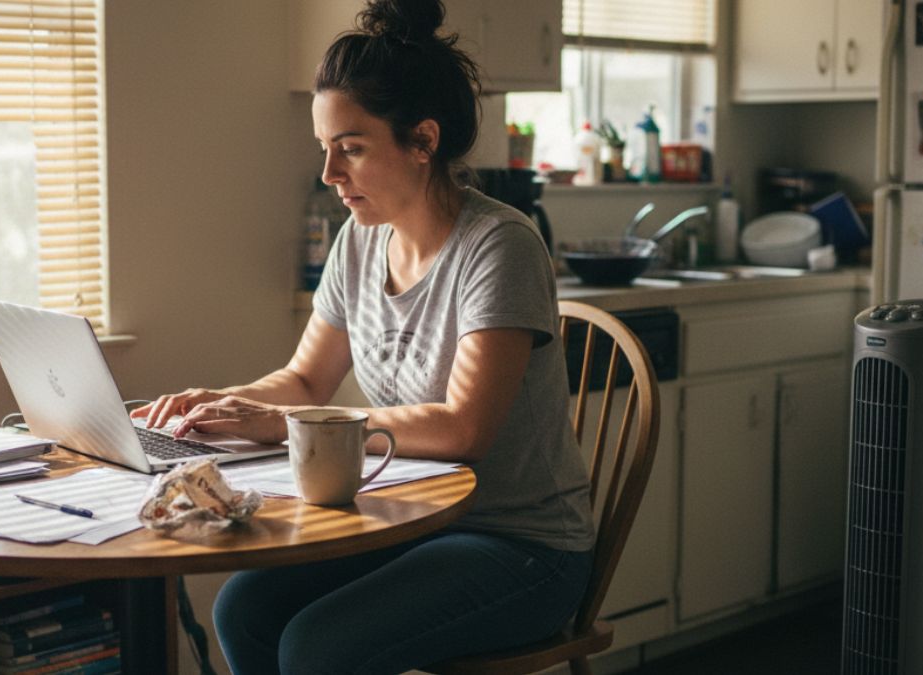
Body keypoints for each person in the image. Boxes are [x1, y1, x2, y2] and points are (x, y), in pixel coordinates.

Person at [130, 0, 595, 671]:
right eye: (325, 149)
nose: (330, 174)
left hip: (521, 543)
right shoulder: (358, 238)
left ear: (423, 141)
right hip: (414, 521)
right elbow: (303, 380)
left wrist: (281, 421)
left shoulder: (500, 247)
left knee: (317, 646)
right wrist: (217, 403)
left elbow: (464, 428)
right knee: (242, 608)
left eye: (350, 148)